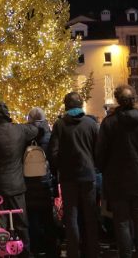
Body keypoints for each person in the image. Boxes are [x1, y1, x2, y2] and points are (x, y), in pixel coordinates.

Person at [96, 84, 138, 258]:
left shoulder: (109, 123)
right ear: (134, 100)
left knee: (121, 222)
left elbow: (100, 154)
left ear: (117, 100)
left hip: (117, 182)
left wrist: (105, 170)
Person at [0, 101, 37, 258]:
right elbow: (35, 128)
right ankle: (25, 253)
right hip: (17, 187)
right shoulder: (20, 130)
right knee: (21, 225)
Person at [49, 91, 99, 258]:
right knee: (90, 216)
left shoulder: (60, 125)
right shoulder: (91, 124)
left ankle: (73, 253)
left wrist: (61, 167)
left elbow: (53, 152)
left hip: (68, 178)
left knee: (71, 216)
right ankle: (91, 251)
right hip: (88, 175)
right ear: (81, 104)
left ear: (66, 105)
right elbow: (98, 150)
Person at [24, 107, 57, 258]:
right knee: (48, 217)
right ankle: (51, 248)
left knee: (32, 218)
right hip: (45, 183)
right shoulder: (50, 136)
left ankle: (35, 247)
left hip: (29, 184)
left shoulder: (24, 137)